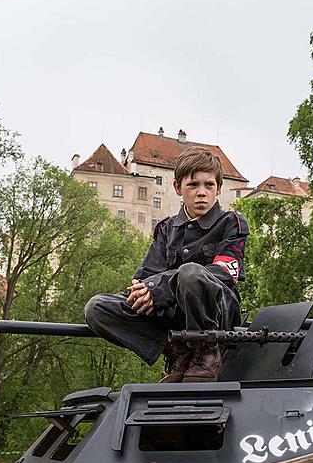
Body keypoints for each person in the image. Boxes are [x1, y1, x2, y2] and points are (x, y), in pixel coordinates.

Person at [84, 147, 249, 382]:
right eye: (193, 185)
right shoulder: (166, 229)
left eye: (209, 185)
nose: (202, 193)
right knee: (97, 308)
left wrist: (161, 288)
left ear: (218, 189)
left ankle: (206, 351)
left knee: (190, 273)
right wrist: (144, 292)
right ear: (177, 188)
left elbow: (224, 273)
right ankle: (176, 350)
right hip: (173, 318)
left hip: (217, 314)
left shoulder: (231, 223)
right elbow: (145, 278)